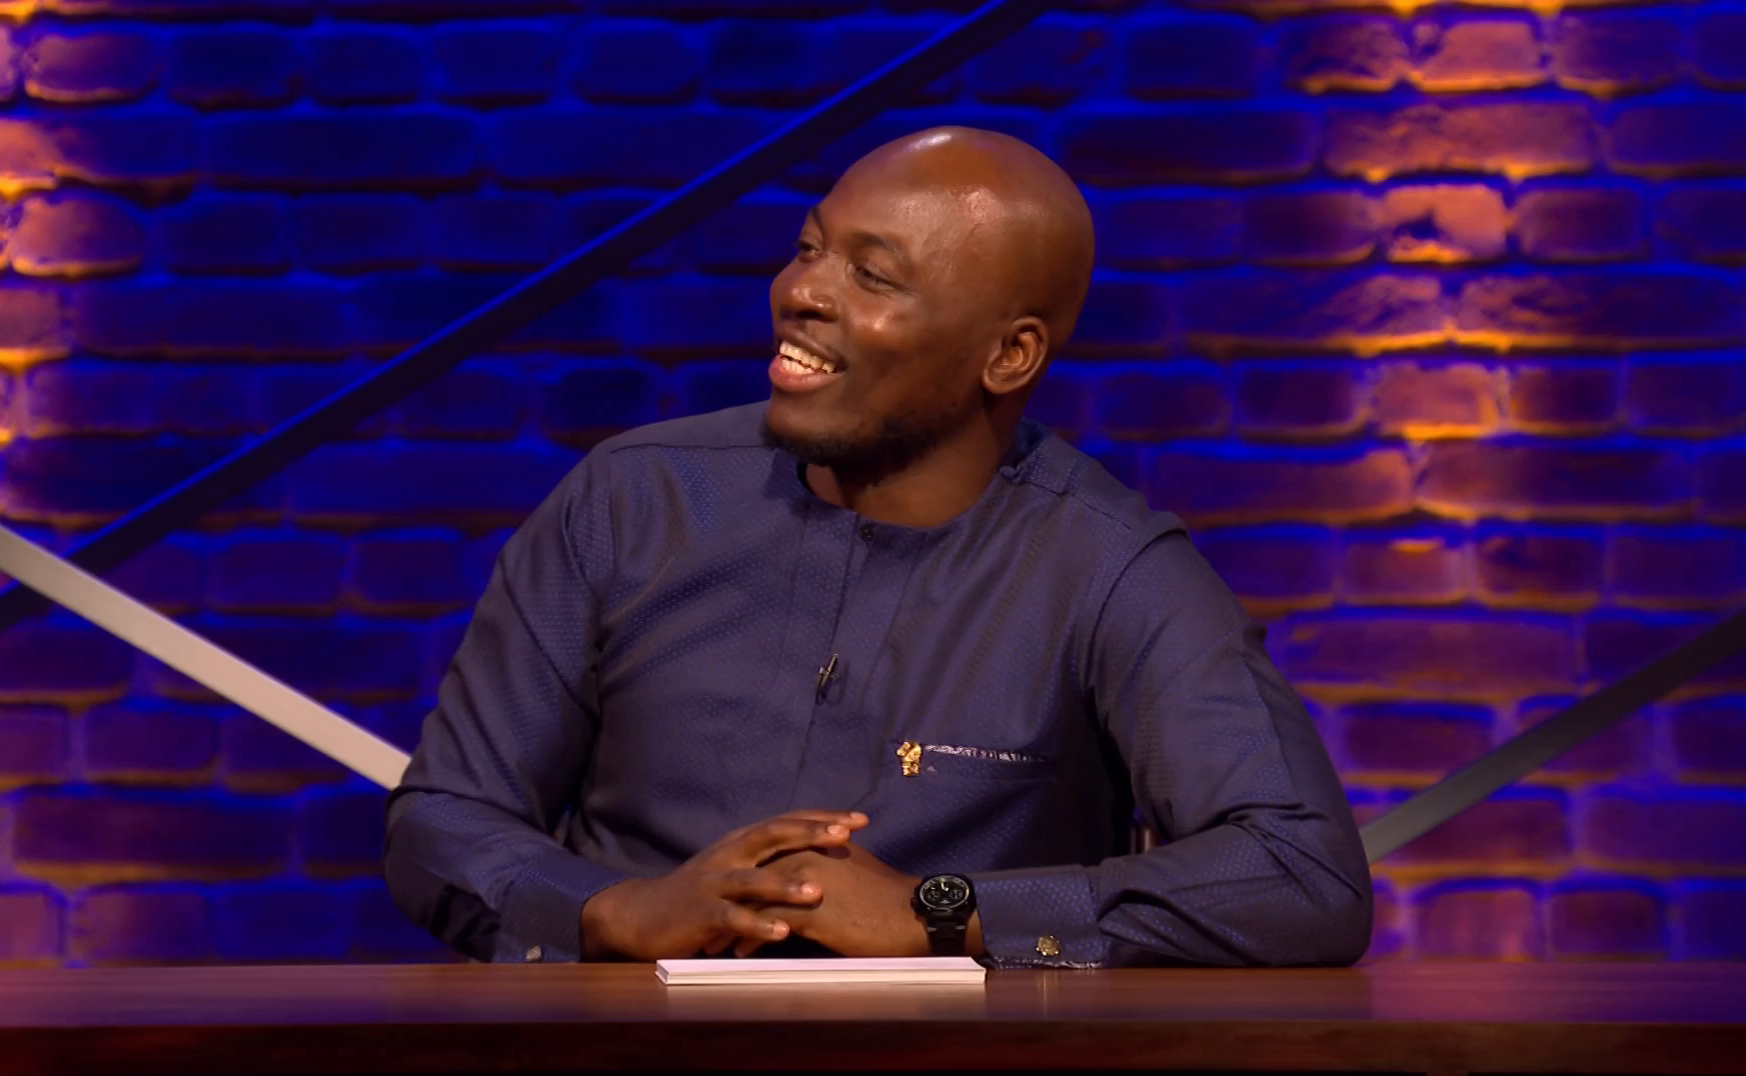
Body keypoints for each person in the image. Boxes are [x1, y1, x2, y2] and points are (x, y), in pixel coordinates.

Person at [383, 127, 1373, 968]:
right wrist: (615, 911)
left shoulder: (1109, 566)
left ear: (1009, 355)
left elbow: (1301, 874)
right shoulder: (633, 499)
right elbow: (442, 821)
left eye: (871, 275)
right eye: (809, 249)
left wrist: (938, 911)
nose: (802, 292)